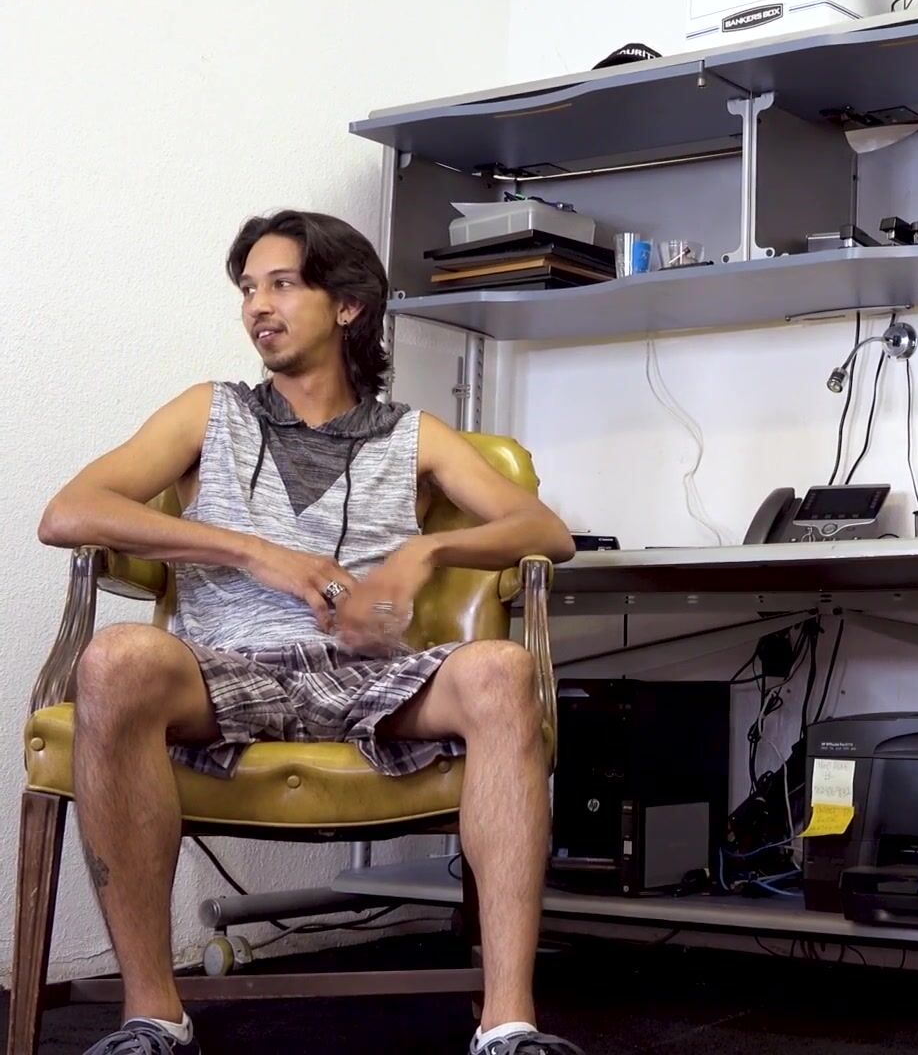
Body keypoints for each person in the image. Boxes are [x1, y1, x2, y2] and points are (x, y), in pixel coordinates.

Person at [37, 210, 584, 1055]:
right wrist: (252, 551)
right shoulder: (209, 413)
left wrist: (425, 551)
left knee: (503, 670)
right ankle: (153, 1019)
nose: (258, 305)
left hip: (367, 673)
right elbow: (69, 512)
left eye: (282, 284)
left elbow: (546, 531)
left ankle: (508, 1026)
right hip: (224, 669)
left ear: (347, 305)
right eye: (248, 289)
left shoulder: (414, 435)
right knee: (113, 659)